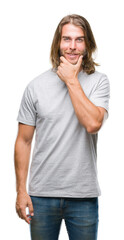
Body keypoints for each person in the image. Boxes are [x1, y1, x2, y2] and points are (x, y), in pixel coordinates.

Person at [14, 14, 110, 240]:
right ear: (58, 42)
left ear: (88, 45)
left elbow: (93, 124)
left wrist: (71, 80)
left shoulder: (99, 81)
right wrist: (20, 191)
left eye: (79, 40)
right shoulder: (35, 86)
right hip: (41, 196)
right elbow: (23, 140)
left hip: (83, 196)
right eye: (67, 39)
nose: (73, 47)